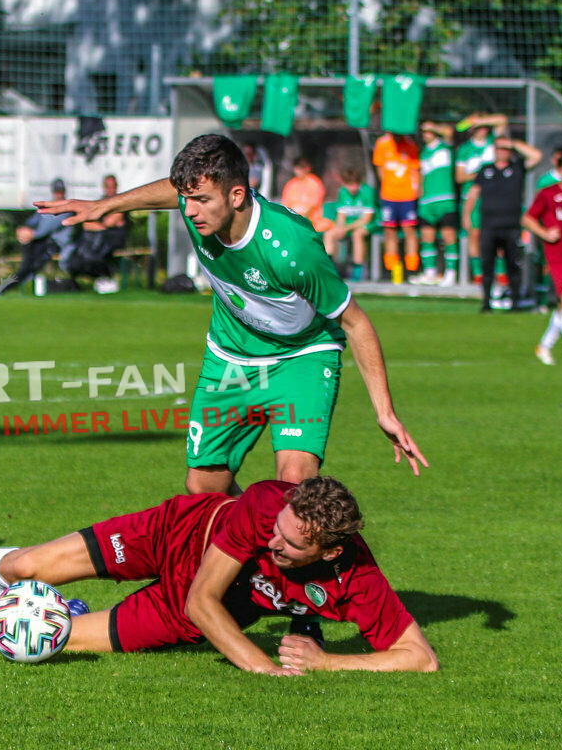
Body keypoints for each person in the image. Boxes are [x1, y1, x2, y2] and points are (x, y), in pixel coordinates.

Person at [36, 134, 426, 497]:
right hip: (230, 357)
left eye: (201, 199)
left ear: (237, 195)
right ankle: (253, 559)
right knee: (203, 489)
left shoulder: (292, 248)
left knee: (292, 485)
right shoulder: (199, 209)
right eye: (186, 198)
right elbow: (176, 190)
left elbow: (355, 323)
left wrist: (385, 412)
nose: (189, 211)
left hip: (301, 358)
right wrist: (106, 204)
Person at [0, 476, 439, 675]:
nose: (272, 539)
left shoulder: (355, 577)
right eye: (276, 526)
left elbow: (419, 656)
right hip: (176, 535)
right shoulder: (264, 508)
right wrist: (263, 668)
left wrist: (331, 663)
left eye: (290, 543)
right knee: (23, 566)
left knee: (46, 640)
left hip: (185, 604)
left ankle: (57, 610)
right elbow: (205, 599)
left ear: (331, 552)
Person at [461, 135, 543, 312]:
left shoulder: (517, 167)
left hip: (511, 225)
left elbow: (536, 156)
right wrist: (467, 215)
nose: (502, 152)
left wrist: (514, 142)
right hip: (489, 225)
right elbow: (474, 193)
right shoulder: (486, 170)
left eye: (505, 149)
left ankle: (515, 302)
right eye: (499, 148)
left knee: (512, 264)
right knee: (487, 264)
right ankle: (486, 303)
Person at [522, 152, 562, 364]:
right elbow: (528, 218)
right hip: (558, 254)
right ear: (561, 171)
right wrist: (545, 233)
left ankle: (545, 345)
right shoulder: (548, 194)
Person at [456, 113, 508, 283]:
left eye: (484, 126)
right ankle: (479, 274)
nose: (482, 129)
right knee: (474, 234)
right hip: (472, 198)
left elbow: (502, 120)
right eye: (478, 127)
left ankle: (500, 273)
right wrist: (481, 175)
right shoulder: (465, 149)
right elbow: (460, 177)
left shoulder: (493, 144)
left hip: (492, 197)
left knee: (498, 235)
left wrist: (479, 119)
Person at [62, 174, 130, 288]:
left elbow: (107, 224)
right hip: (93, 240)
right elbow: (86, 224)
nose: (110, 189)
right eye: (108, 186)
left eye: (112, 186)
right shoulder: (100, 203)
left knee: (95, 252)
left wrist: (96, 224)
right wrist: (97, 224)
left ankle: (104, 277)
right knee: (78, 253)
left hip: (111, 240)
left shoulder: (121, 204)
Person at [414, 122, 460, 286]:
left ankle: (451, 273)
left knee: (449, 237)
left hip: (444, 199)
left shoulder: (444, 146)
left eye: (428, 131)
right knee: (427, 237)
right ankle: (430, 272)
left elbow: (449, 131)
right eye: (423, 131)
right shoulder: (424, 152)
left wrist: (432, 127)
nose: (425, 133)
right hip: (427, 201)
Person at [372, 131, 420, 282]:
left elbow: (415, 169)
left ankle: (412, 270)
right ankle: (392, 270)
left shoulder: (410, 144)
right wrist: (388, 187)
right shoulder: (382, 144)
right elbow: (379, 168)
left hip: (407, 195)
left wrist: (415, 189)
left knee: (409, 231)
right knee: (389, 232)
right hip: (389, 196)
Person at [12, 178, 73, 291]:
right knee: (28, 249)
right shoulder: (47, 206)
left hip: (56, 244)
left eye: (60, 191)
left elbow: (47, 229)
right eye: (56, 191)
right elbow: (32, 221)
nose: (59, 194)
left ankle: (20, 282)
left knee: (34, 259)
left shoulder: (66, 208)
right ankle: (22, 281)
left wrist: (31, 234)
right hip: (42, 241)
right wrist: (22, 229)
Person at [322, 167, 376, 281]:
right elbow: (341, 216)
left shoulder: (367, 192)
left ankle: (357, 271)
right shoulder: (343, 192)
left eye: (355, 184)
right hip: (348, 225)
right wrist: (340, 228)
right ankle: (329, 268)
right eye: (349, 185)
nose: (352, 188)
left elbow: (366, 219)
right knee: (329, 234)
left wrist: (346, 228)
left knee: (358, 234)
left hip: (367, 224)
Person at [280, 157, 330, 232]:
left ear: (308, 168)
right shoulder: (290, 185)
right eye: (297, 168)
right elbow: (285, 206)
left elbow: (313, 206)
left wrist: (300, 219)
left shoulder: (315, 183)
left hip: (311, 221)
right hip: (293, 220)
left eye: (302, 168)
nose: (299, 171)